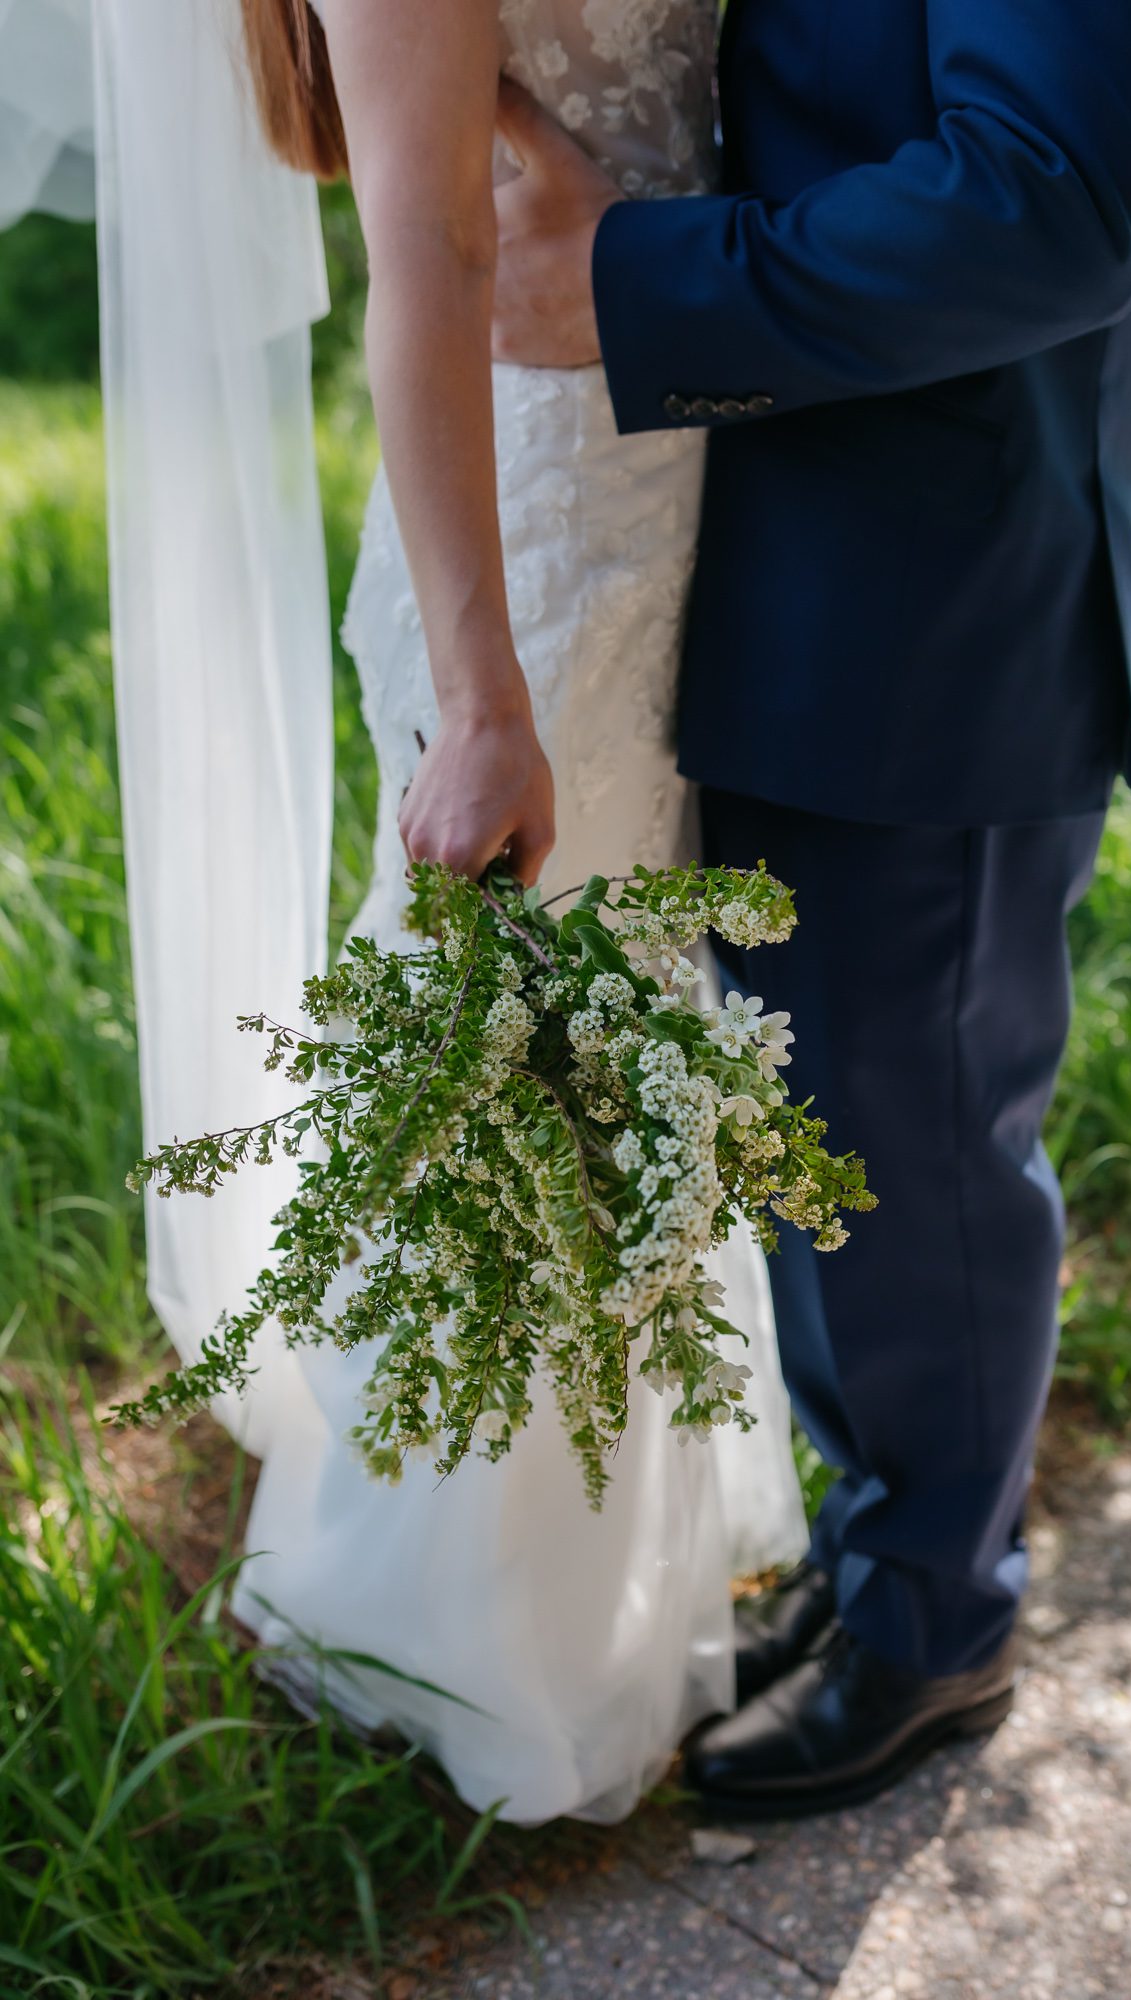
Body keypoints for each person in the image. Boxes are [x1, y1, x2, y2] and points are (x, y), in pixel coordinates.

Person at [0, 0, 809, 1827]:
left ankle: (629, 1572)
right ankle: (456, 1640)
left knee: (620, 1053)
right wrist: (485, 699)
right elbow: (425, 253)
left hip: (685, 465)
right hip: (539, 540)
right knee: (521, 1077)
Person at [483, 0, 1131, 1815]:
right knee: (822, 1123)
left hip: (943, 588)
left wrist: (639, 286)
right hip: (790, 551)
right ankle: (883, 1546)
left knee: (919, 1133)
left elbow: (1051, 198)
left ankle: (942, 1623)